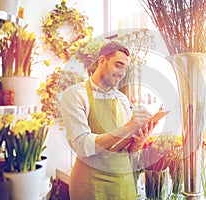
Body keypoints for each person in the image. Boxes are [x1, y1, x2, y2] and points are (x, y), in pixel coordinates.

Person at [60, 41, 157, 200]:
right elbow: (82, 145)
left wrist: (138, 141)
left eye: (125, 68)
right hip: (91, 184)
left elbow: (126, 150)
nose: (122, 73)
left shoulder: (122, 99)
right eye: (118, 65)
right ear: (102, 61)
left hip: (123, 182)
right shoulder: (75, 95)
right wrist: (128, 127)